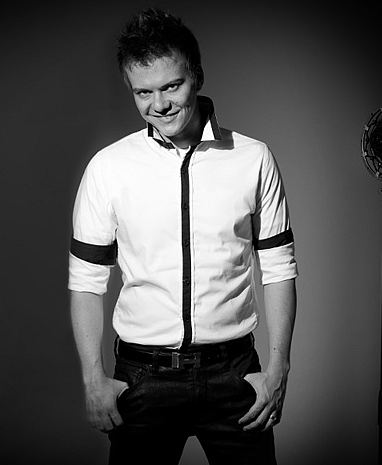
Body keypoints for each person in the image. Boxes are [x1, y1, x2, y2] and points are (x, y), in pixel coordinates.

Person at [68, 7, 298, 465]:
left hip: (234, 377)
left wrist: (278, 369)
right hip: (142, 379)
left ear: (197, 77)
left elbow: (278, 268)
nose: (159, 105)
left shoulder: (253, 158)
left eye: (171, 86)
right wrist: (93, 378)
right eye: (143, 92)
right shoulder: (108, 168)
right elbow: (86, 281)